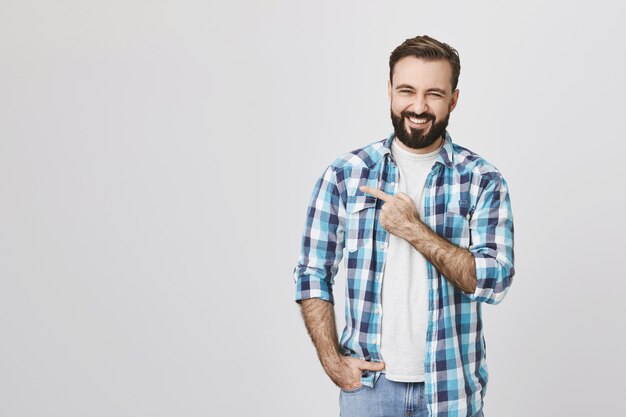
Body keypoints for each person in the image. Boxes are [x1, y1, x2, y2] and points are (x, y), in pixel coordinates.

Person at [292, 35, 514, 417]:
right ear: (390, 91)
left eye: (434, 94)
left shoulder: (482, 179)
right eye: (407, 91)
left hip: (452, 390)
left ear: (454, 99)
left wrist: (413, 230)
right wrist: (332, 360)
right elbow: (312, 271)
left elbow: (494, 281)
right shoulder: (346, 174)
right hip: (369, 390)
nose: (419, 106)